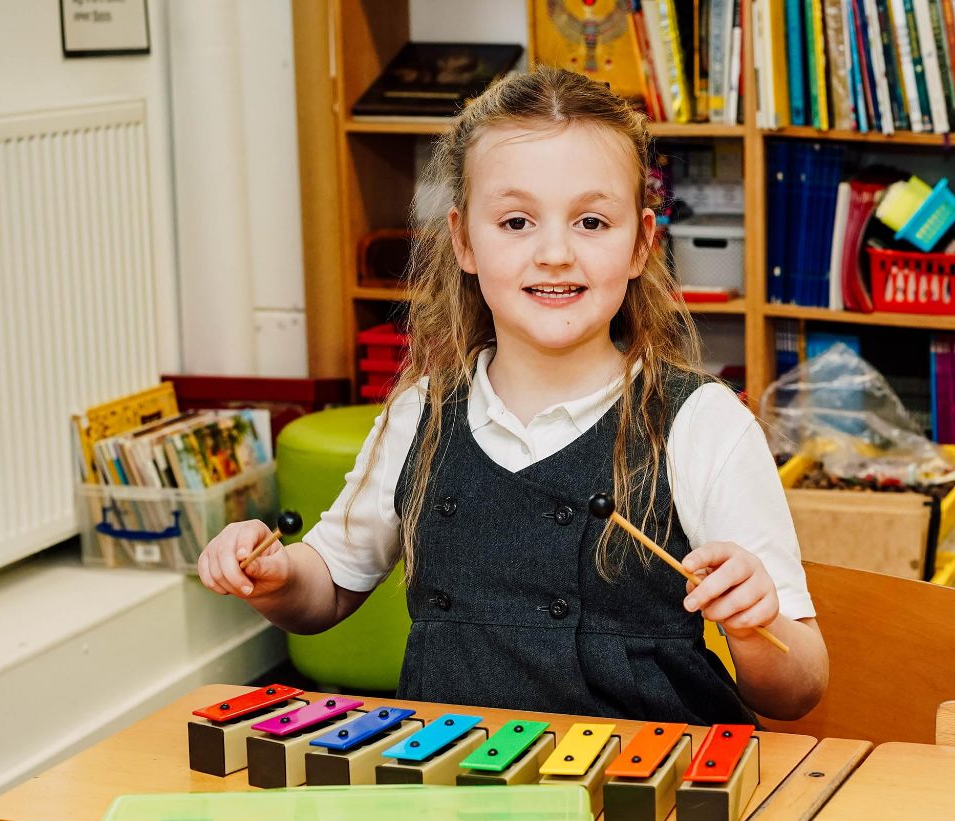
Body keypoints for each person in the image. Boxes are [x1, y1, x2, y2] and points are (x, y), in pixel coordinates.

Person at [199, 66, 828, 725]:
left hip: (651, 779)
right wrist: (275, 577)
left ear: (641, 244)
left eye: (591, 221)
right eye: (517, 221)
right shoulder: (418, 416)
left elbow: (800, 686)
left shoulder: (704, 425)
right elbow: (324, 589)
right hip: (454, 770)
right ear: (464, 240)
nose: (555, 253)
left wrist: (756, 625)